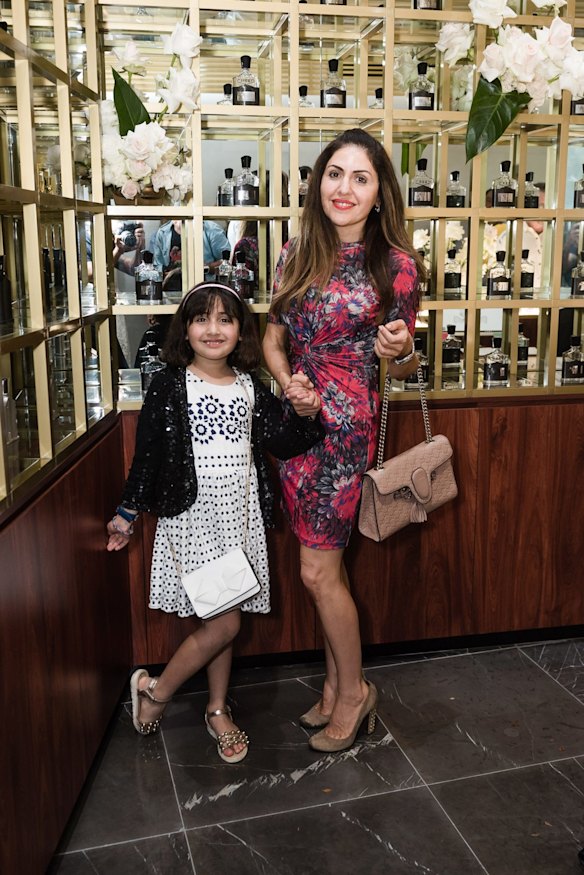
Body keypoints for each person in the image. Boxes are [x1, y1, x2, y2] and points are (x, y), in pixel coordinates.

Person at [106, 281, 323, 762]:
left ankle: (218, 708)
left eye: (226, 319)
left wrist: (307, 415)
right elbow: (147, 457)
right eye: (202, 318)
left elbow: (284, 442)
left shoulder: (251, 386)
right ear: (184, 329)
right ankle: (157, 691)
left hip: (239, 521)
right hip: (193, 521)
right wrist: (126, 513)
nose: (213, 329)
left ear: (240, 331)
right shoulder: (168, 384)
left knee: (225, 618)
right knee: (224, 623)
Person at [262, 128, 422, 753]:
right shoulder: (295, 251)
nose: (345, 188)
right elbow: (275, 338)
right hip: (298, 425)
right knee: (317, 570)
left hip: (346, 432)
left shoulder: (397, 265)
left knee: (316, 571)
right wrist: (287, 383)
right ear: (319, 183)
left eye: (361, 177)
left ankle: (354, 694)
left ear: (380, 192)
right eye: (335, 174)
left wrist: (401, 350)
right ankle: (333, 687)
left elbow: (404, 364)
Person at [151, 219, 230, 289]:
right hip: (171, 291)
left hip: (203, 289)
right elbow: (158, 267)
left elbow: (227, 262)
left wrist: (204, 268)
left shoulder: (212, 230)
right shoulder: (162, 232)